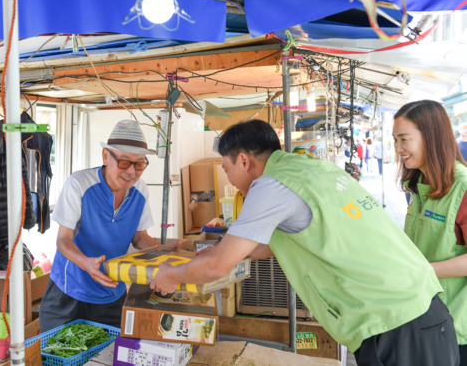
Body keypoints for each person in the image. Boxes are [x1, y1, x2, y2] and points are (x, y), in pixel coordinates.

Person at [150, 120, 458, 366]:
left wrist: (171, 276)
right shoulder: (309, 168)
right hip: (425, 311)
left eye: (226, 168)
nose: (229, 178)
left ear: (243, 160)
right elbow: (261, 247)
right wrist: (197, 251)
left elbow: (219, 266)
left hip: (393, 326)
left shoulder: (270, 186)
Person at [40, 120, 178, 332]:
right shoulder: (79, 184)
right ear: (106, 156)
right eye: (124, 162)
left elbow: (140, 237)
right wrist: (86, 263)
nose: (132, 171)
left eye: (140, 163)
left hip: (112, 292)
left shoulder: (140, 190)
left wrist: (164, 251)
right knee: (59, 355)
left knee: (106, 356)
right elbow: (63, 239)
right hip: (69, 290)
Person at [394, 100, 467, 365]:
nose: (398, 149)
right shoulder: (420, 184)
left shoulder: (463, 186)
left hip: (455, 327)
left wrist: (422, 270)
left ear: (432, 137)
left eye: (404, 139)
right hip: (422, 319)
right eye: (395, 140)